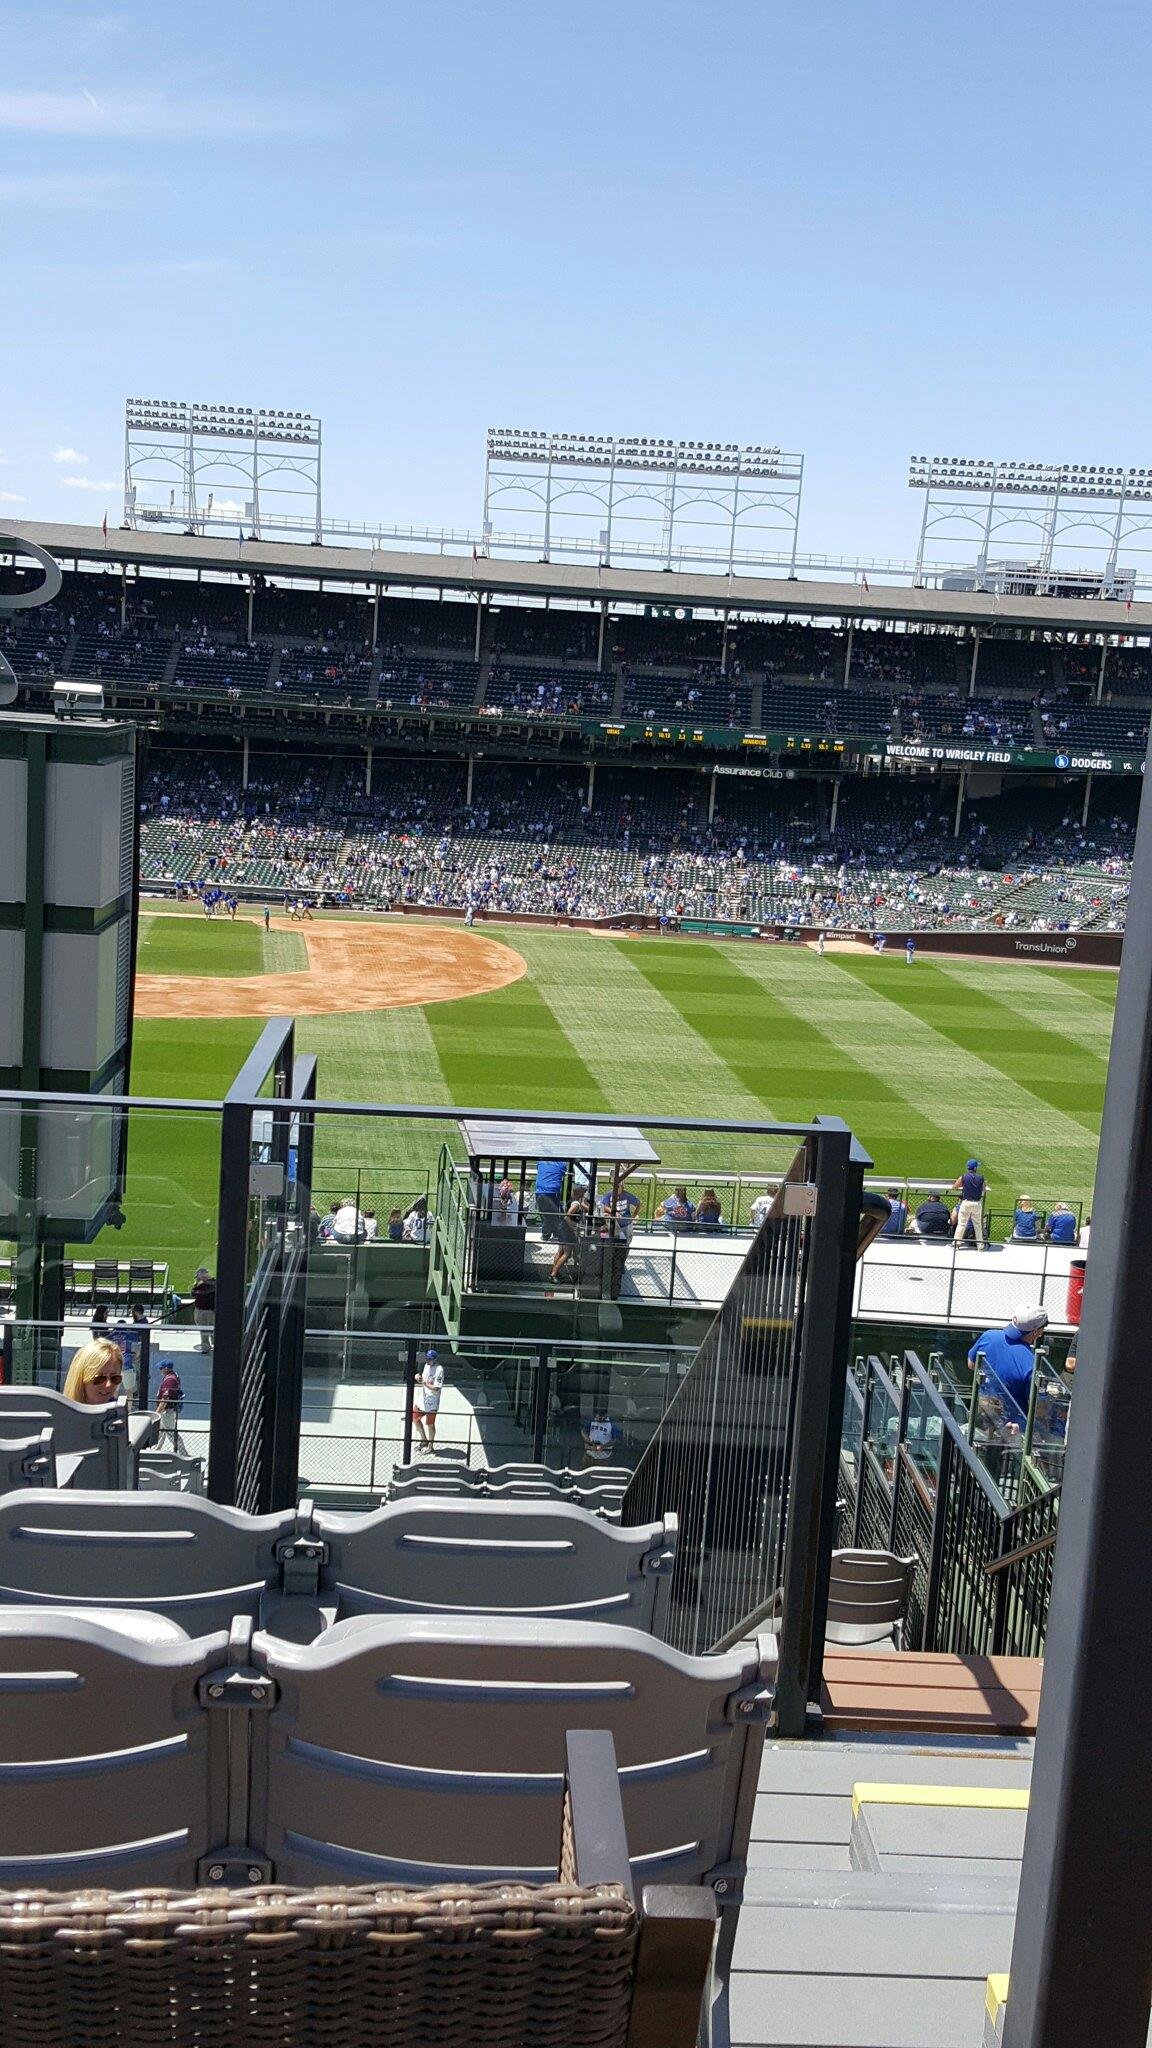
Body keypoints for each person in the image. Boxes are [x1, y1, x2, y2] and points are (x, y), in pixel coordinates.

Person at [968, 1303, 1049, 1426]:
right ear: (1035, 1331)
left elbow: (971, 1364)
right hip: (1013, 1427)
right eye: (1041, 1330)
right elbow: (1039, 1408)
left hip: (982, 1417)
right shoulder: (1031, 1362)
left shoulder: (988, 1336)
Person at [62, 1338, 124, 1405]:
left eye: (115, 1378)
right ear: (82, 1378)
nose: (108, 1385)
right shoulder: (60, 1413)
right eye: (100, 1378)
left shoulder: (119, 1413)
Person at [413, 1345, 444, 1452]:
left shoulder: (439, 1369)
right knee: (415, 1418)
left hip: (432, 1401)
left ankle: (430, 1446)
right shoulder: (426, 1365)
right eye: (427, 1359)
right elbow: (419, 1375)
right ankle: (423, 1439)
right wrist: (417, 1376)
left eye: (430, 1359)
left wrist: (424, 1383)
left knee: (430, 1424)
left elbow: (436, 1388)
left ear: (435, 1360)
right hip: (422, 1398)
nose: (428, 1361)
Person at [951, 1159, 987, 1250]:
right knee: (978, 1225)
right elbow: (983, 1189)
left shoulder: (964, 1176)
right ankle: (980, 1245)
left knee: (962, 1224)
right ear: (975, 1168)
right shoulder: (981, 1177)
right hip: (977, 1204)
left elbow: (954, 1187)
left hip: (966, 1203)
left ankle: (957, 1244)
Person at [533, 1155, 567, 1243]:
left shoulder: (541, 1161)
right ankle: (546, 1235)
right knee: (551, 1214)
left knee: (544, 1214)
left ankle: (551, 1233)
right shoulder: (561, 1163)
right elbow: (563, 1173)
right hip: (553, 1192)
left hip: (540, 1191)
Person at [154, 1360, 185, 1449]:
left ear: (166, 1369)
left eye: (161, 1368)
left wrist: (157, 1412)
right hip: (166, 1411)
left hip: (167, 1411)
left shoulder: (170, 1380)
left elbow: (165, 1399)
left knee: (170, 1433)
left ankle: (183, 1453)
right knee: (160, 1432)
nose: (160, 1370)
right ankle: (154, 1450)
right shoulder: (173, 1376)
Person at [191, 1266, 215, 1353]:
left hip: (210, 1311)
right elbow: (193, 1293)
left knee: (212, 1329)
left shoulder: (214, 1282)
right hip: (200, 1311)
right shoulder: (200, 1285)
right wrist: (197, 1283)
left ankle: (214, 1345)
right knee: (203, 1331)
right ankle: (205, 1347)